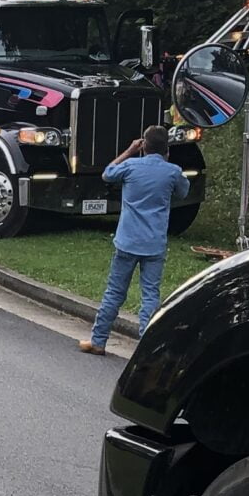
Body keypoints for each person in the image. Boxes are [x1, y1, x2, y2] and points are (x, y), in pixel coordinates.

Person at [80, 125, 191, 354]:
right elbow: (183, 191)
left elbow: (107, 173)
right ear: (166, 149)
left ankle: (98, 340)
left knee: (114, 292)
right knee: (150, 295)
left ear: (143, 147)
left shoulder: (130, 166)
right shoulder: (172, 172)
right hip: (154, 242)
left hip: (127, 240)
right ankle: (145, 349)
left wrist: (129, 152)